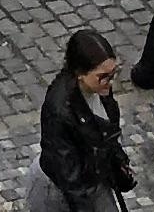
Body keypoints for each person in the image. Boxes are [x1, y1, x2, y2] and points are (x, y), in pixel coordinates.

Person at [37, 30, 138, 212]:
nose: (110, 82)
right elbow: (69, 176)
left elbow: (106, 134)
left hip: (93, 176)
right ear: (80, 73)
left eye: (113, 74)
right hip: (64, 190)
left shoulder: (100, 89)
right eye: (103, 76)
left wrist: (119, 161)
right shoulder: (60, 111)